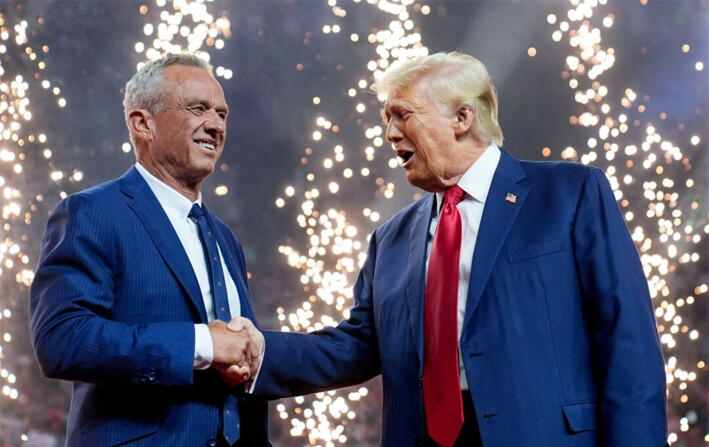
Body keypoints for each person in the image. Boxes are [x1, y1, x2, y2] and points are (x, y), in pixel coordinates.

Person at [228, 52, 668, 446]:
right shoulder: (391, 239)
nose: (389, 133)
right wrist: (259, 350)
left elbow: (625, 336)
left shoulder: (569, 193)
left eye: (402, 115)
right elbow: (359, 346)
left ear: (462, 118)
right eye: (387, 118)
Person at [30, 53, 268, 446]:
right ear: (143, 124)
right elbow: (61, 339)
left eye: (222, 114)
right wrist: (203, 344)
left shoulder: (225, 238)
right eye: (197, 109)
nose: (215, 124)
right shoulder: (92, 212)